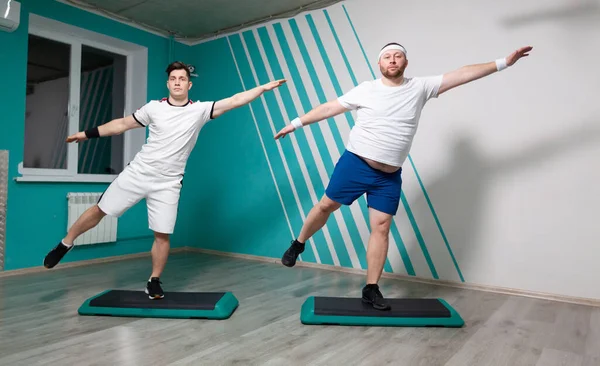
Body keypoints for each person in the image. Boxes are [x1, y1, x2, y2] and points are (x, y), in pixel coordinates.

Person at [274, 43, 532, 310]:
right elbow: (330, 108)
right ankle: (298, 243)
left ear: (406, 62)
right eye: (387, 56)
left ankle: (371, 288)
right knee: (326, 206)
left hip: (389, 175)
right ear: (380, 64)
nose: (392, 60)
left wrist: (504, 62)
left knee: (382, 227)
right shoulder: (367, 89)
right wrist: (296, 123)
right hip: (356, 163)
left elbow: (462, 74)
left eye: (398, 56)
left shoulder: (420, 87)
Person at [44, 61, 286, 299]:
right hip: (138, 173)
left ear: (189, 84)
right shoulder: (153, 108)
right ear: (168, 83)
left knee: (162, 234)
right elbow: (121, 125)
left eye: (182, 79)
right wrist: (87, 134)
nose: (177, 82)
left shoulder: (200, 110)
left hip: (168, 183)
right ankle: (65, 243)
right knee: (100, 210)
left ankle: (154, 280)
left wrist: (261, 89)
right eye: (173, 79)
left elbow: (235, 100)